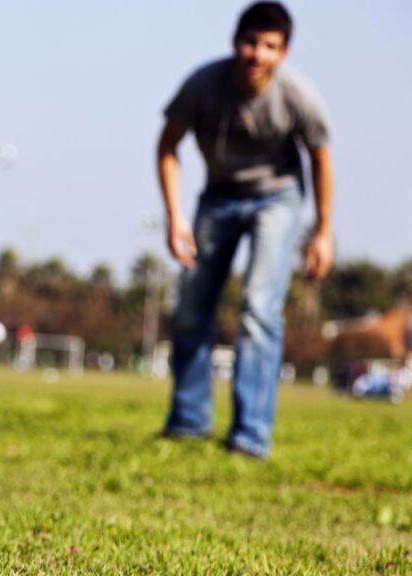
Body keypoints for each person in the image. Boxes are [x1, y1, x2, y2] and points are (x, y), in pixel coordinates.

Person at [156, 2, 334, 458]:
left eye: (270, 46)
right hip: (218, 196)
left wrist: (323, 231)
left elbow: (320, 157)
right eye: (251, 42)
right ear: (236, 42)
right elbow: (168, 145)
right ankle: (189, 421)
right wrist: (175, 216)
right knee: (192, 306)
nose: (258, 54)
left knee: (258, 307)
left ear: (284, 52)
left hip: (277, 198)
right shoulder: (204, 84)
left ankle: (250, 435)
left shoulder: (297, 95)